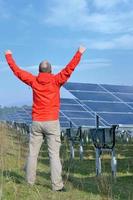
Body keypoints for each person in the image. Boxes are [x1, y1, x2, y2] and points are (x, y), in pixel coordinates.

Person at [5, 46, 86, 191]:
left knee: (33, 153)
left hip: (37, 122)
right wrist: (79, 53)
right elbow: (69, 69)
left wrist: (9, 56)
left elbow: (17, 72)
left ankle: (29, 182)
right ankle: (57, 186)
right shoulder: (56, 80)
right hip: (52, 122)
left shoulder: (34, 81)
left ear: (39, 71)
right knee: (53, 155)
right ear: (50, 70)